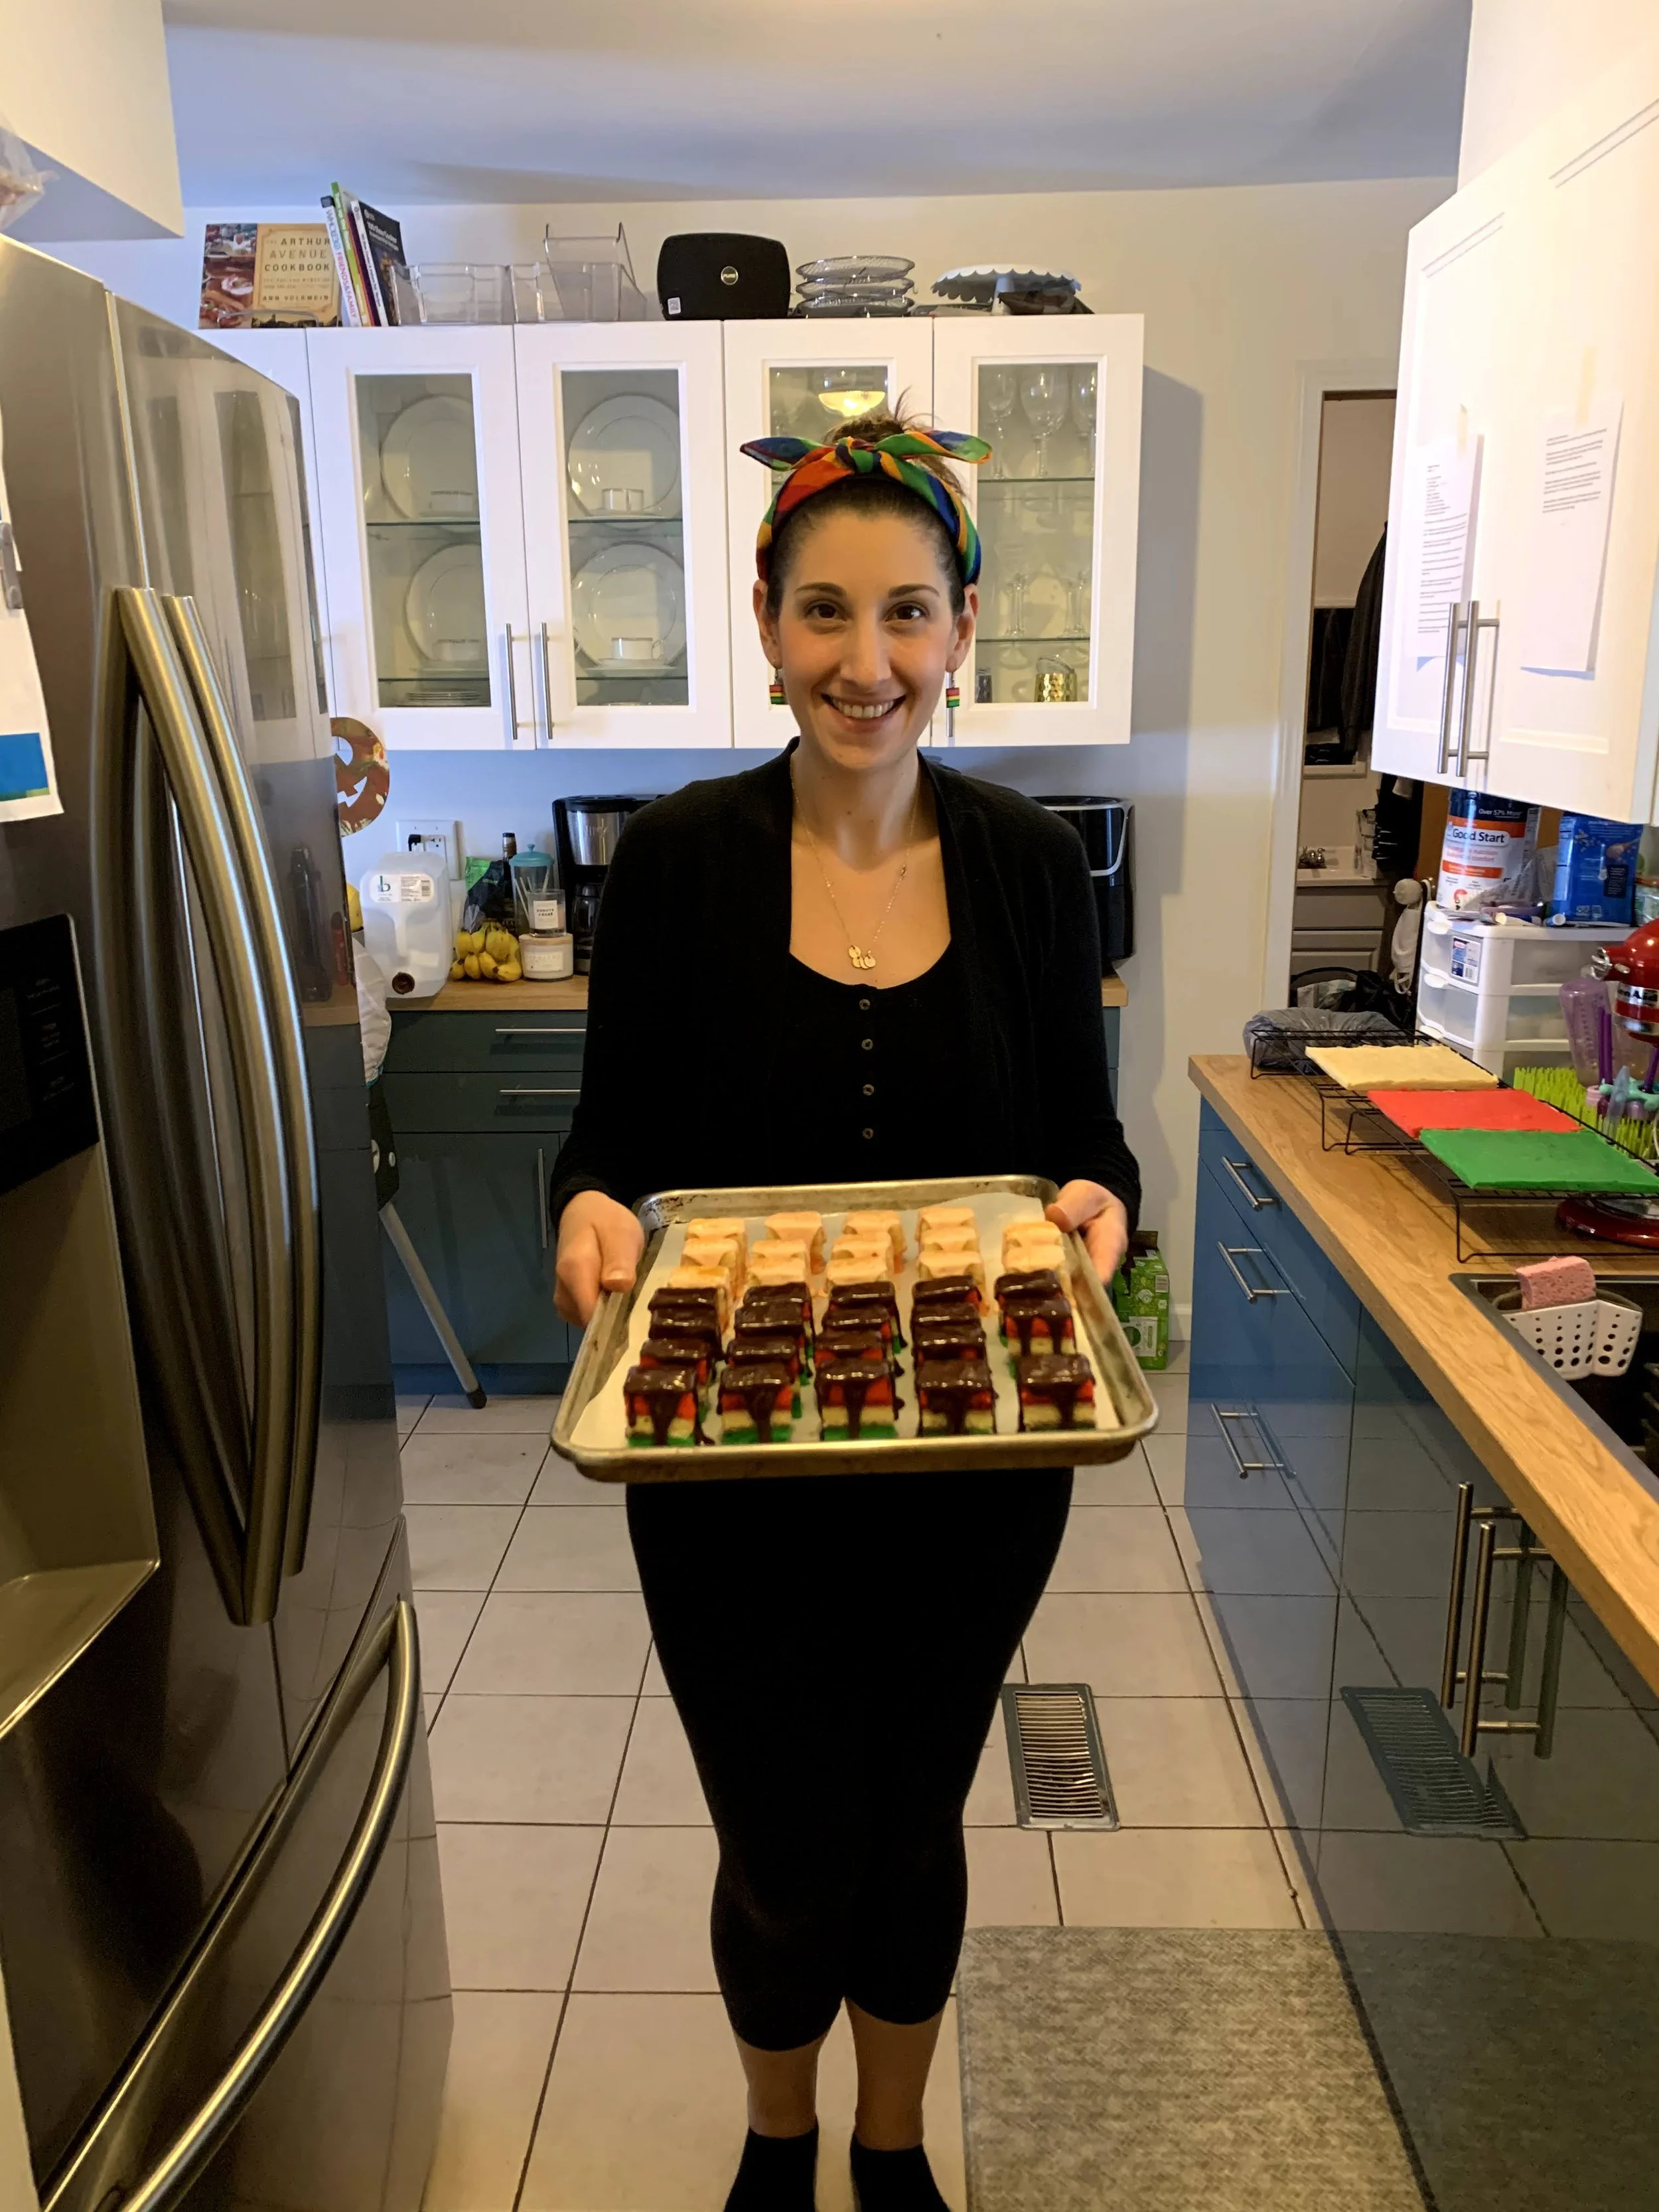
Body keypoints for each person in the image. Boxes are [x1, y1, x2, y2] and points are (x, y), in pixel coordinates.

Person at [549, 411, 1140, 2212]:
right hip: (728, 1474)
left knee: (914, 1815)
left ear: (959, 625)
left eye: (902, 614)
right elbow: (609, 1144)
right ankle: (777, 2137)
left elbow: (1085, 1142)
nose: (861, 664)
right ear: (763, 618)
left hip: (973, 1473)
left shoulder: (1035, 871)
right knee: (783, 1840)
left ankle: (889, 2152)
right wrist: (582, 1204)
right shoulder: (674, 867)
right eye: (822, 612)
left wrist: (1106, 1203)